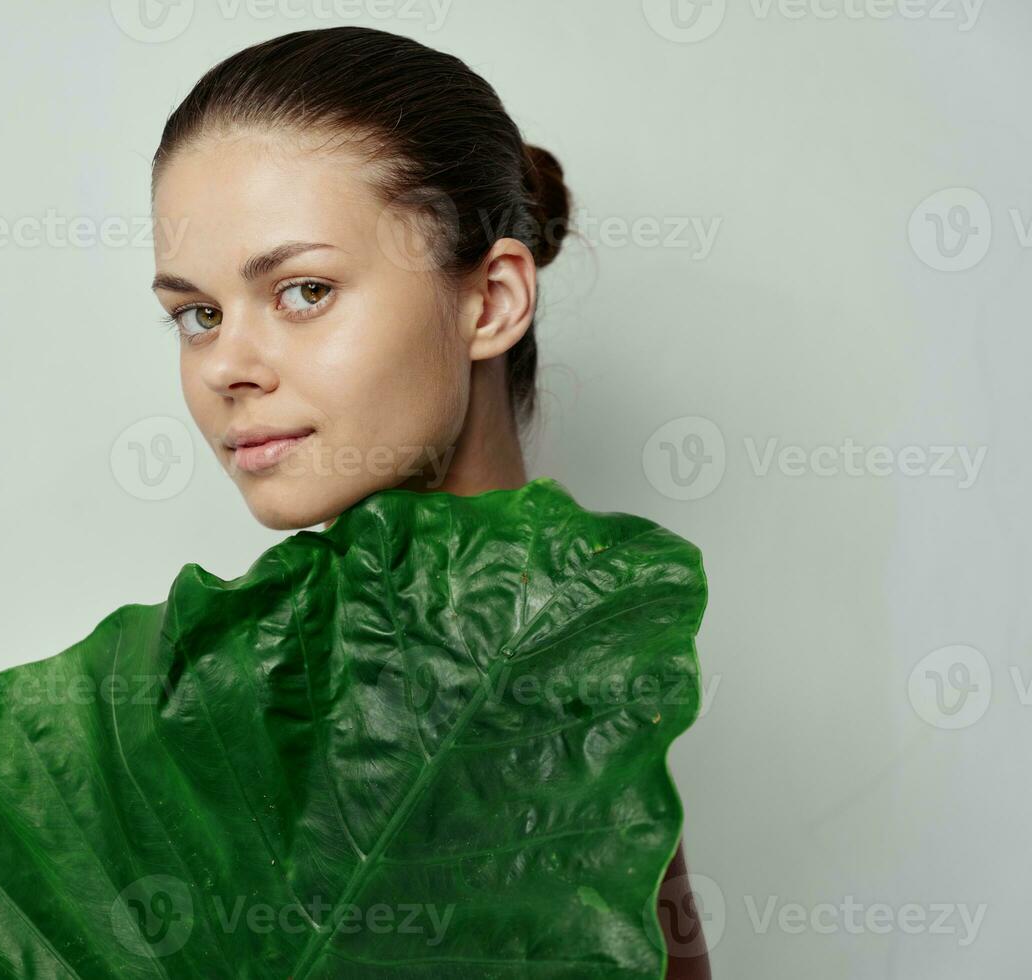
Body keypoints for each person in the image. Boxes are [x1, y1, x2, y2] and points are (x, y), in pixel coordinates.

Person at [149, 25, 712, 978]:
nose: (227, 369)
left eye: (303, 290)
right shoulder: (256, 693)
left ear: (489, 302)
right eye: (196, 315)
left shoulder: (544, 696)